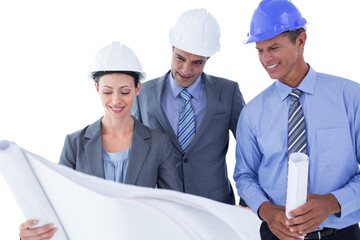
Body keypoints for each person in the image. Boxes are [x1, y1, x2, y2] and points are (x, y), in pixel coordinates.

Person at [19, 42, 183, 240]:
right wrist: (31, 232)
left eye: (124, 91)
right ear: (96, 88)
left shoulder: (159, 144)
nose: (116, 100)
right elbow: (59, 206)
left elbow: (176, 209)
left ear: (137, 88)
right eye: (107, 92)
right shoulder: (75, 143)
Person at [234, 0, 360, 239]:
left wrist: (333, 202)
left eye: (274, 48)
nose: (265, 58)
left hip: (340, 233)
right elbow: (244, 175)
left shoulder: (350, 98)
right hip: (275, 234)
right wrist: (267, 211)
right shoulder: (253, 113)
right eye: (260, 50)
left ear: (301, 41)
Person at [132, 8, 245, 205]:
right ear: (172, 48)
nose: (186, 70)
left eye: (197, 62)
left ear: (208, 58)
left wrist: (249, 201)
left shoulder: (228, 92)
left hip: (217, 205)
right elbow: (132, 154)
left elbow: (250, 151)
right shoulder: (143, 94)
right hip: (162, 206)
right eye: (180, 58)